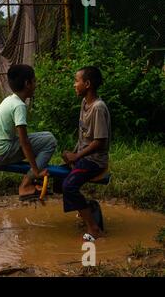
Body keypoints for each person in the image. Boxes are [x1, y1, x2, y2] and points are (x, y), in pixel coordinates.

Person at [0, 64, 57, 200]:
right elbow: (24, 142)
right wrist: (36, 170)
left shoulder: (10, 100)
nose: (36, 84)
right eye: (34, 81)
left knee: (48, 137)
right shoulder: (19, 106)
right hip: (1, 152)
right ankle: (26, 184)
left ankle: (32, 180)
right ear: (27, 83)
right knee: (50, 141)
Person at [61, 66, 111, 242]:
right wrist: (73, 154)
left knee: (69, 186)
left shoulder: (98, 108)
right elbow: (83, 134)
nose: (75, 84)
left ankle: (94, 228)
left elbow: (99, 142)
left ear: (87, 84)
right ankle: (85, 209)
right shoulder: (84, 103)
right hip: (84, 156)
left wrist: (77, 156)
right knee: (60, 179)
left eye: (77, 81)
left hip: (94, 160)